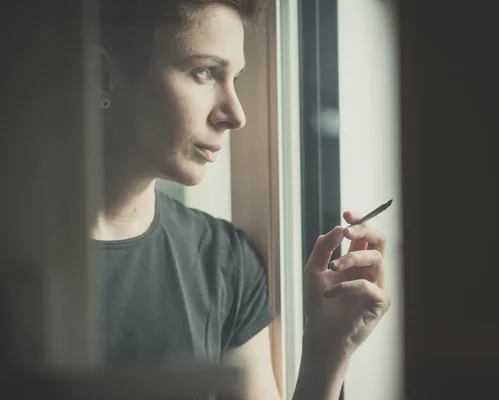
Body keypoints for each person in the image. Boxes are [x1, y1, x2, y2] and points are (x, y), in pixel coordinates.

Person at [94, 0, 391, 398]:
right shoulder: (20, 257)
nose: (235, 114)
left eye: (236, 77)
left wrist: (328, 350)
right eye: (204, 72)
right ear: (104, 75)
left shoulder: (224, 261)